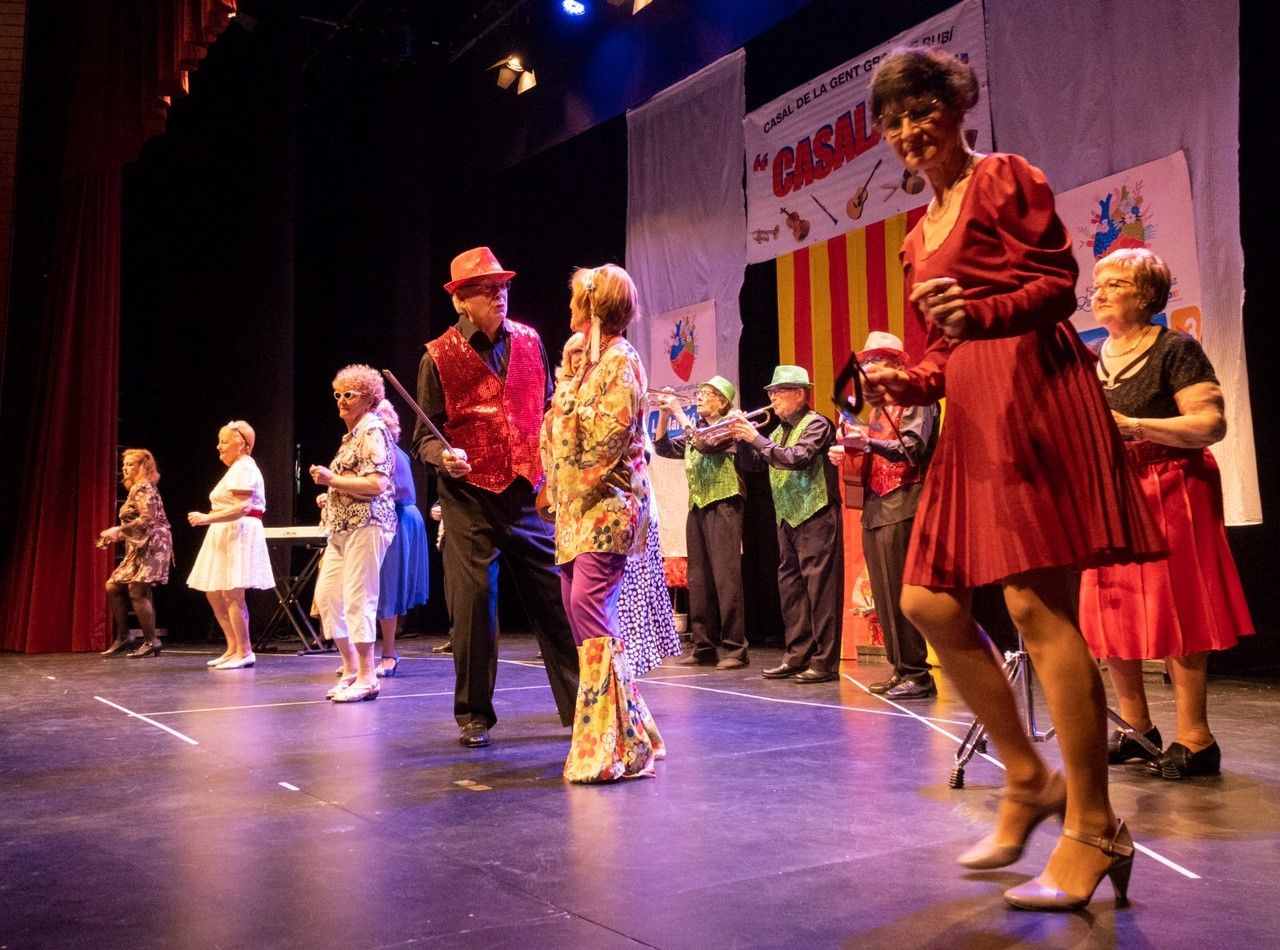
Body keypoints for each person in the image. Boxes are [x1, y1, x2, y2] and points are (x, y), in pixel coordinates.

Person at [863, 47, 1166, 912]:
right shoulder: (916, 234)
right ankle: (1029, 776)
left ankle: (1095, 827)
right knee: (925, 602)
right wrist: (912, 378)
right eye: (893, 120)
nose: (908, 130)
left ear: (955, 104)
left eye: (921, 108)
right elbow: (945, 344)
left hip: (1035, 392)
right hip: (972, 412)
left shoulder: (1004, 177)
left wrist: (981, 311)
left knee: (1038, 607)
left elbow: (1058, 284)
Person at [1079, 248, 1253, 779]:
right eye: (1098, 283)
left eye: (1115, 283)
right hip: (1113, 490)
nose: (1100, 291)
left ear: (1147, 295)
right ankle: (1137, 729)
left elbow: (1210, 425)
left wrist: (1132, 426)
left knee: (1178, 608)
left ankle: (1196, 739)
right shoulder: (1093, 357)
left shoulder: (1176, 347)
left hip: (1171, 485)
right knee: (1113, 608)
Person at [413, 246, 578, 749]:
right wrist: (445, 458)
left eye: (503, 286)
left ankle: (580, 707)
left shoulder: (530, 340)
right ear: (462, 301)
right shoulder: (436, 356)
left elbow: (546, 407)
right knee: (475, 603)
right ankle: (474, 714)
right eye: (488, 289)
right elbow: (425, 437)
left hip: (527, 491)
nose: (500, 295)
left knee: (556, 598)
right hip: (469, 499)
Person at [540, 264, 664, 782]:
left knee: (589, 608)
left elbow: (600, 444)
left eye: (575, 302)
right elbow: (551, 436)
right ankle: (634, 733)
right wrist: (567, 381)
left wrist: (566, 397)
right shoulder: (586, 367)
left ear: (591, 309)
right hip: (576, 508)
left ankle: (611, 743)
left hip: (608, 504)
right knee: (577, 609)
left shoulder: (620, 362)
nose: (567, 311)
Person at [828, 331, 939, 699]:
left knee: (900, 591)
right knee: (884, 593)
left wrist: (867, 441)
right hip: (877, 505)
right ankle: (900, 667)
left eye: (875, 361)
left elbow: (910, 449)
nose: (868, 368)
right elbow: (875, 452)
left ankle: (918, 673)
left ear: (893, 364)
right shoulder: (878, 409)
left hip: (904, 501)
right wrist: (849, 453)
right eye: (867, 362)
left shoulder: (917, 400)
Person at [730, 365, 843, 684]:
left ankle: (824, 662)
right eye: (771, 393)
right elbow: (755, 463)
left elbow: (796, 458)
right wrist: (740, 436)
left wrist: (754, 437)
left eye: (779, 393)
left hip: (816, 514)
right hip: (787, 518)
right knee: (791, 589)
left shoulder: (817, 423)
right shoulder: (777, 432)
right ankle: (797, 655)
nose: (772, 399)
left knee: (821, 590)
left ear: (799, 394)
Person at [310, 365, 396, 702]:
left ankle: (366, 676)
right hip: (342, 527)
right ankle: (349, 669)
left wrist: (333, 481)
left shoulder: (372, 430)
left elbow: (377, 484)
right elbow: (351, 481)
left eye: (350, 395)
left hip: (368, 523)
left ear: (370, 398)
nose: (342, 401)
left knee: (360, 598)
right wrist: (331, 492)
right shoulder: (352, 434)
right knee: (329, 597)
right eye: (338, 394)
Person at [654, 376, 749, 670]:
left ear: (722, 402)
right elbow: (663, 449)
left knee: (725, 577)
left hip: (723, 503)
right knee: (698, 578)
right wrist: (665, 415)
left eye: (707, 394)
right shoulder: (696, 430)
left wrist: (680, 414)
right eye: (700, 393)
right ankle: (703, 645)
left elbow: (705, 444)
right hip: (697, 505)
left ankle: (735, 648)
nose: (700, 397)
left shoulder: (729, 426)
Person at [187, 421, 275, 670]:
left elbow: (243, 506)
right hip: (225, 531)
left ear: (242, 445)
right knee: (214, 591)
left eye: (224, 442)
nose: (219, 447)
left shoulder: (245, 467)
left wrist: (207, 518)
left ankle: (245, 651)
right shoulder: (235, 468)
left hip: (238, 531)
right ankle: (232, 647)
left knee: (232, 592)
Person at [372, 399, 430, 677]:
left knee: (388, 590)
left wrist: (363, 494)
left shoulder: (394, 454)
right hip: (380, 521)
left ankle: (389, 654)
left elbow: (404, 491)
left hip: (398, 521)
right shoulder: (373, 455)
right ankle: (363, 654)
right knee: (372, 589)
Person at [98, 449, 173, 658]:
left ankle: (151, 641)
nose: (125, 468)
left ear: (143, 467)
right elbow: (139, 523)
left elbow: (148, 520)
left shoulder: (142, 488)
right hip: (140, 544)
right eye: (124, 464)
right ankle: (125, 637)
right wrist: (117, 535)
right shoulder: (138, 489)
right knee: (113, 585)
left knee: (137, 589)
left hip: (153, 544)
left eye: (130, 464)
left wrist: (119, 530)